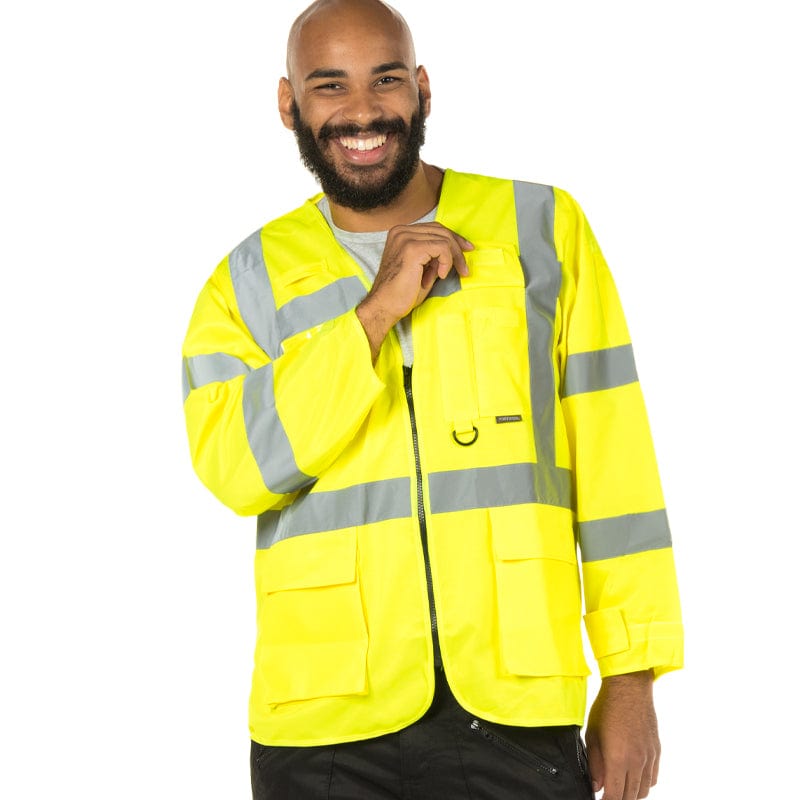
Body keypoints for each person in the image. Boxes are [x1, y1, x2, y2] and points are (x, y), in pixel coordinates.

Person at [181, 0, 683, 797]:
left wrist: (632, 676)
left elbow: (616, 466)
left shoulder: (542, 228)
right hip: (323, 724)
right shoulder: (246, 281)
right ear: (288, 104)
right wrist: (372, 316)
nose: (362, 111)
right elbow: (237, 471)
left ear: (421, 89)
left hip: (515, 704)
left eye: (385, 80)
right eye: (329, 85)